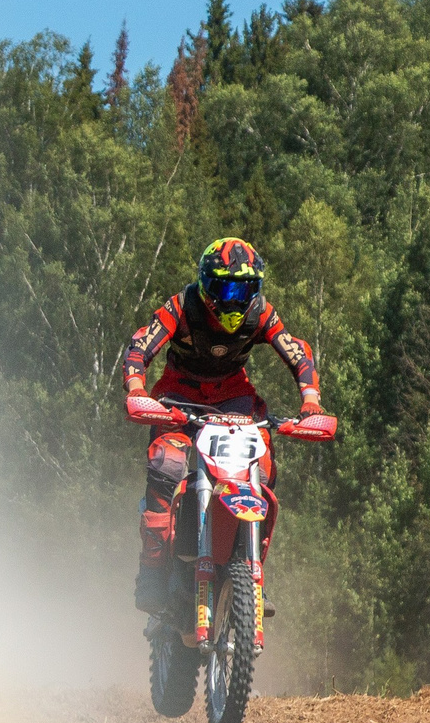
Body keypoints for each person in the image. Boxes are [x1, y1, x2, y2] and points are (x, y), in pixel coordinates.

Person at [120, 238, 328, 611]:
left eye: (244, 289)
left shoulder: (261, 312)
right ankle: (152, 570)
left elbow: (297, 352)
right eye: (226, 287)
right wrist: (137, 389)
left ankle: (252, 572)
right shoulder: (182, 306)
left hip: (235, 400)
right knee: (165, 465)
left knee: (261, 472)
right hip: (177, 399)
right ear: (205, 284)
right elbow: (139, 346)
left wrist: (310, 401)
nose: (234, 299)